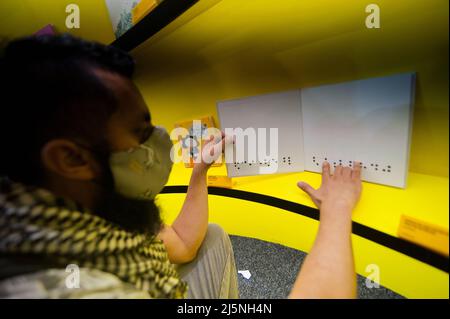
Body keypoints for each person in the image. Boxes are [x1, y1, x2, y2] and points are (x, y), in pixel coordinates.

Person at [0, 34, 361, 299]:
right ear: (71, 159)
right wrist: (337, 210)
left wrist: (199, 171)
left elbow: (182, 245)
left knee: (213, 236)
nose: (158, 138)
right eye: (140, 131)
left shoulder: (77, 202)